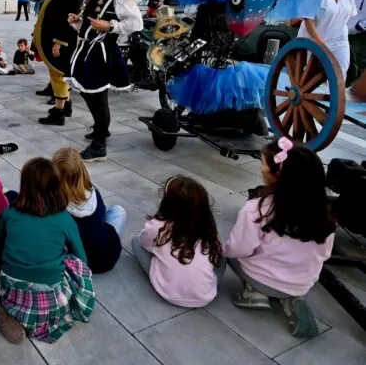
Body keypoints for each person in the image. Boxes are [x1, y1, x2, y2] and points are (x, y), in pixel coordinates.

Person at [224, 140, 335, 338]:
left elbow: (239, 249)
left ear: (277, 176)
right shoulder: (324, 217)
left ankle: (254, 292)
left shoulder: (257, 209)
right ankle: (289, 299)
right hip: (302, 283)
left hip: (261, 278)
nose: (261, 167)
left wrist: (221, 250)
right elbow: (324, 254)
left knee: (229, 252)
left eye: (263, 163)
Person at [0, 157, 95, 344]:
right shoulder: (64, 219)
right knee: (72, 263)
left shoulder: (9, 214)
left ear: (24, 185)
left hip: (11, 287)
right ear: (57, 187)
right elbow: (82, 260)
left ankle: (7, 310)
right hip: (52, 300)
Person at [68, 0, 143, 161]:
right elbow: (90, 23)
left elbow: (135, 23)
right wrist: (77, 21)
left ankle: (99, 144)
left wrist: (110, 26)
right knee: (86, 92)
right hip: (86, 50)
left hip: (102, 52)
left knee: (97, 96)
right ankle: (102, 127)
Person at [131, 175, 224, 308]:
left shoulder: (158, 227)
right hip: (205, 296)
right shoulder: (206, 229)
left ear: (167, 202)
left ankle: (171, 273)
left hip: (169, 294)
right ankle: (201, 281)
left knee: (136, 241)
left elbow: (143, 242)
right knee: (221, 254)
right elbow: (216, 252)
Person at [53, 148, 124, 273]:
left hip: (76, 263)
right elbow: (101, 215)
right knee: (118, 211)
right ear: (83, 172)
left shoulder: (54, 204)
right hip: (105, 258)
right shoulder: (94, 193)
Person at [34, 0, 85, 126]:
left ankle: (58, 113)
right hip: (54, 37)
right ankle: (66, 105)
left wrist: (58, 43)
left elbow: (66, 21)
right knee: (61, 74)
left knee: (58, 75)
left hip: (60, 39)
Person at [299, 0, 356, 77]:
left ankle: (335, 95)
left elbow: (347, 18)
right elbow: (308, 21)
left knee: (340, 71)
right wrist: (320, 42)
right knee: (312, 74)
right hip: (314, 40)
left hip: (340, 40)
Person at [346, 0, 366, 85]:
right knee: (346, 64)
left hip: (361, 36)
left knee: (359, 64)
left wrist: (359, 27)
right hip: (346, 33)